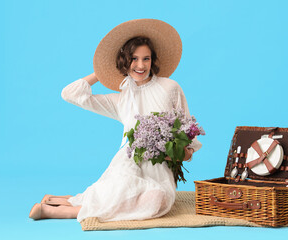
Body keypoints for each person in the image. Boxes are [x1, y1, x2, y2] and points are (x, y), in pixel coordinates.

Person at [29, 19, 202, 222]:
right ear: (124, 61)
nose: (140, 65)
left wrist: (181, 154)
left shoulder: (170, 88)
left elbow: (189, 138)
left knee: (157, 200)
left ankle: (61, 200)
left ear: (152, 60)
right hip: (128, 166)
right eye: (133, 59)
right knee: (122, 191)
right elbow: (70, 94)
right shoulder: (121, 99)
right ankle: (59, 210)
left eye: (146, 59)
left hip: (160, 173)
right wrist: (100, 73)